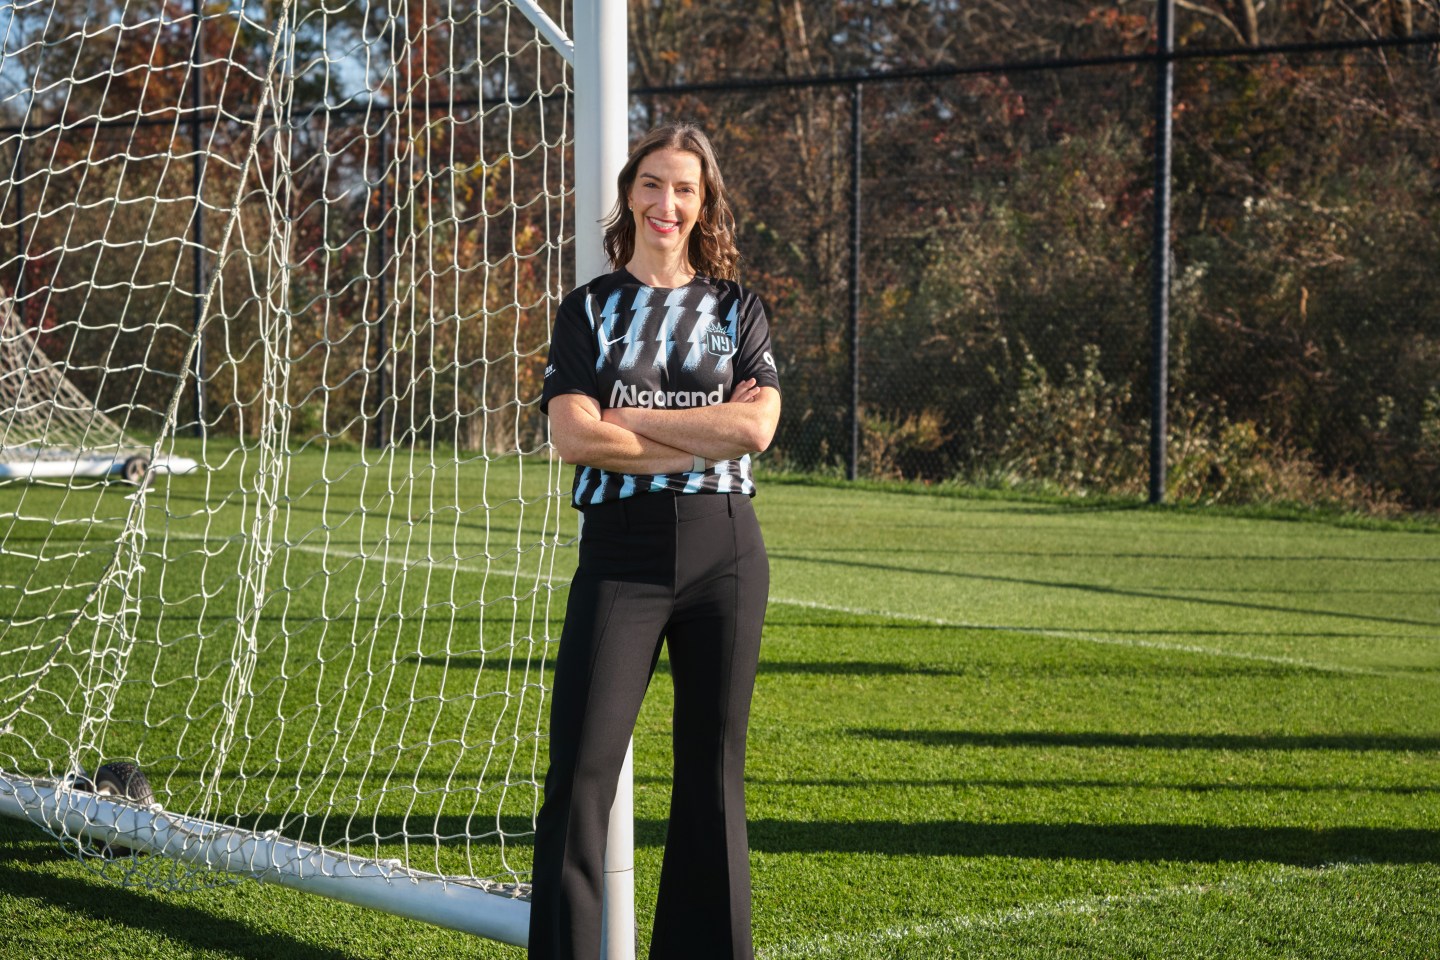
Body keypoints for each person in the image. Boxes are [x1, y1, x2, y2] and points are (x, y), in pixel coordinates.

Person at [529, 122, 782, 960]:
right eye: (651, 184)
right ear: (629, 195)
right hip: (622, 555)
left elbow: (756, 429)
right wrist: (701, 437)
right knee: (581, 772)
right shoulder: (588, 309)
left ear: (703, 204)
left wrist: (632, 419)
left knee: (713, 777)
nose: (665, 202)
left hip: (726, 551)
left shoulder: (737, 308)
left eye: (684, 189)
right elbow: (575, 436)